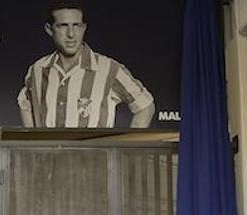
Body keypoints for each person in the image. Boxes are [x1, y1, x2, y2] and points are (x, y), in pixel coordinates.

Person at [17, 0, 155, 128]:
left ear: (84, 28)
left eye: (76, 25)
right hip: (48, 154)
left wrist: (128, 150)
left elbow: (145, 106)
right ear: (49, 29)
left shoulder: (108, 69)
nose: (71, 34)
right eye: (63, 26)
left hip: (94, 155)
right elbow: (25, 104)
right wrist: (34, 147)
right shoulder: (38, 69)